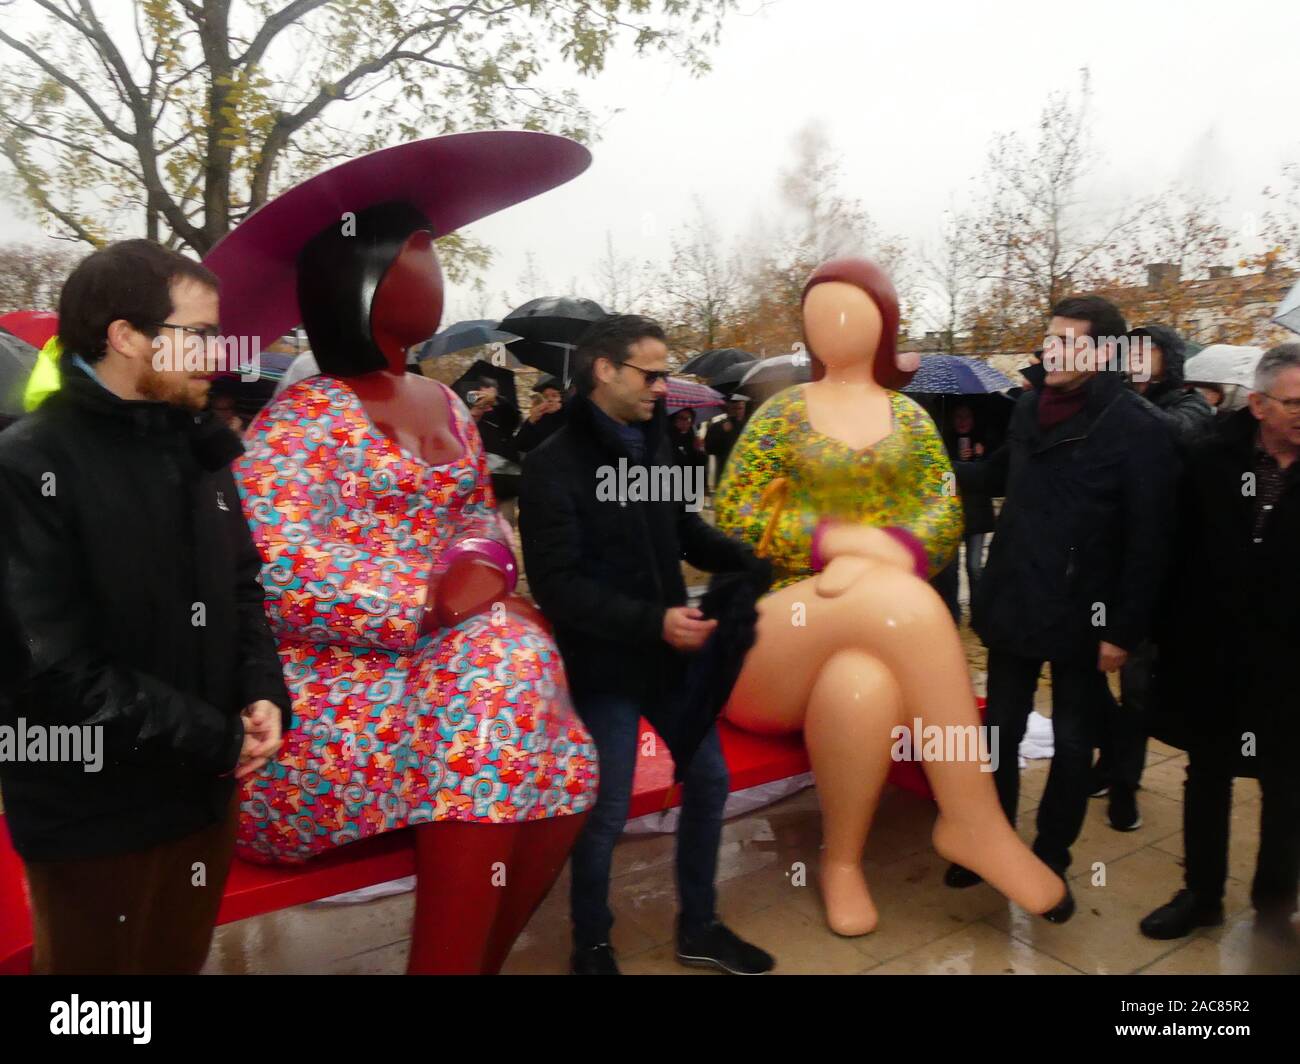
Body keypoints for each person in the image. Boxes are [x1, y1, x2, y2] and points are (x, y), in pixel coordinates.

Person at [208, 133, 600, 975]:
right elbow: (275, 563)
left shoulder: (447, 408)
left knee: (562, 750)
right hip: (325, 699)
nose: (438, 273)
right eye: (420, 256)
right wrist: (424, 599)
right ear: (366, 279)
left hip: (455, 676)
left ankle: (472, 959)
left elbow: (478, 521)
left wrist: (485, 565)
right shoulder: (305, 417)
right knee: (503, 681)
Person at [715, 258, 1067, 936]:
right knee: (902, 603)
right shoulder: (780, 416)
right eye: (818, 311)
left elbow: (943, 510)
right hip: (773, 636)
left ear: (884, 325)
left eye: (852, 310)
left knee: (862, 687)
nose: (834, 324)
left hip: (873, 635)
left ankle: (841, 862)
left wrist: (890, 553)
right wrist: (839, 547)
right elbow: (737, 520)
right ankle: (972, 816)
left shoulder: (908, 419)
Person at [0, 239, 291, 974]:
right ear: (126, 337)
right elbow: (50, 668)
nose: (215, 355)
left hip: (201, 795)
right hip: (94, 808)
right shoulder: (30, 464)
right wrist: (212, 736)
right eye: (197, 335)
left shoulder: (197, 450)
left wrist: (261, 693)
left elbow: (241, 588)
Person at [519, 314, 775, 976]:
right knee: (605, 811)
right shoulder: (552, 465)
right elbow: (560, 587)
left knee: (711, 779)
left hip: (671, 662)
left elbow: (683, 528)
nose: (664, 387)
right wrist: (651, 621)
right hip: (605, 666)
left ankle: (699, 925)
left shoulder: (655, 443)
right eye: (652, 374)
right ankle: (592, 943)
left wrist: (743, 557)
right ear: (605, 370)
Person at [946, 295, 1178, 914]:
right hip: (1017, 595)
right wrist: (930, 474)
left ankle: (1051, 856)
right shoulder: (1027, 408)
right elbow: (997, 475)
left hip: (1086, 611)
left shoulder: (1138, 428)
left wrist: (1123, 629)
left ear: (1103, 352)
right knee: (998, 731)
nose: (1054, 351)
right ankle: (988, 844)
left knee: (1074, 744)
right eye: (1050, 339)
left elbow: (1150, 540)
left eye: (1069, 341)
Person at [1140, 343, 1300, 941]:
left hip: (1290, 664)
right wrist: (1155, 635)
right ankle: (1201, 896)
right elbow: (1169, 552)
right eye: (1292, 403)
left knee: (1287, 788)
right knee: (1206, 777)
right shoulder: (1207, 460)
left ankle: (1275, 907)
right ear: (1257, 404)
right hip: (1211, 656)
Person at [1090, 325, 1215, 823]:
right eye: (1132, 349)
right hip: (1105, 561)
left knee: (1137, 686)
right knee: (1086, 670)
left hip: (1154, 569)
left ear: (1170, 359)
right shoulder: (1116, 404)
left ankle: (1126, 785)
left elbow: (1173, 436)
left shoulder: (1190, 404)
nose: (1138, 356)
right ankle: (1110, 756)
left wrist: (1120, 397)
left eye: (1149, 350)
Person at [932, 402, 995, 624]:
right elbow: (944, 486)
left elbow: (987, 479)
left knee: (974, 567)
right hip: (953, 515)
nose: (962, 422)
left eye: (966, 416)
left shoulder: (984, 444)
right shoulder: (942, 443)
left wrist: (974, 461)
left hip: (978, 516)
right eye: (958, 416)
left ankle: (979, 613)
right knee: (951, 570)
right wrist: (959, 467)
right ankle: (953, 614)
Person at [704, 393, 750, 491]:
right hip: (724, 474)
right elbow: (709, 449)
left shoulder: (749, 425)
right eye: (734, 408)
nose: (737, 412)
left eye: (740, 408)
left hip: (744, 474)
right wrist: (722, 433)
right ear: (728, 409)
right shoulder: (718, 426)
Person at [514, 375, 566, 456]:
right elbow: (520, 445)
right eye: (545, 396)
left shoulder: (570, 416)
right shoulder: (539, 417)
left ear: (562, 398)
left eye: (554, 395)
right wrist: (530, 421)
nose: (549, 399)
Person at [667, 406, 707, 474]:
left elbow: (702, 464)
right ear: (674, 419)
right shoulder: (668, 438)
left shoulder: (693, 438)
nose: (685, 422)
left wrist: (700, 450)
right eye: (681, 418)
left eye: (688, 419)